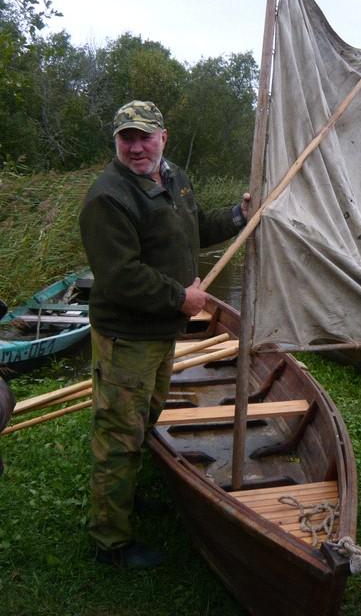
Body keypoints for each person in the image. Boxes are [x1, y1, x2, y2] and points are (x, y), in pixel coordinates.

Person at [79, 100, 249, 570]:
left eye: (144, 136)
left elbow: (191, 232)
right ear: (116, 141)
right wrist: (181, 298)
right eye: (126, 138)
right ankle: (110, 540)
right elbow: (121, 277)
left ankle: (126, 501)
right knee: (119, 434)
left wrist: (238, 214)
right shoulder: (108, 198)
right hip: (127, 336)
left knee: (145, 419)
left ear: (163, 137)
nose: (136, 147)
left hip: (160, 333)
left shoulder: (174, 176)